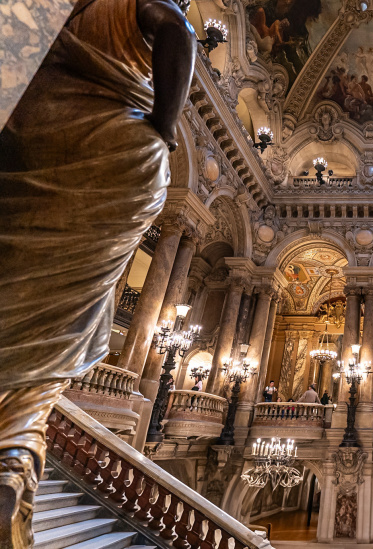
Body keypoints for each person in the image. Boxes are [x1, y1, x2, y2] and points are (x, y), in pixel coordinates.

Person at [0, 0, 196, 534]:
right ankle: (12, 447)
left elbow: (178, 30)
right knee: (52, 321)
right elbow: (178, 30)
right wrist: (162, 129)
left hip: (36, 127)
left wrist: (163, 127)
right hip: (121, 153)